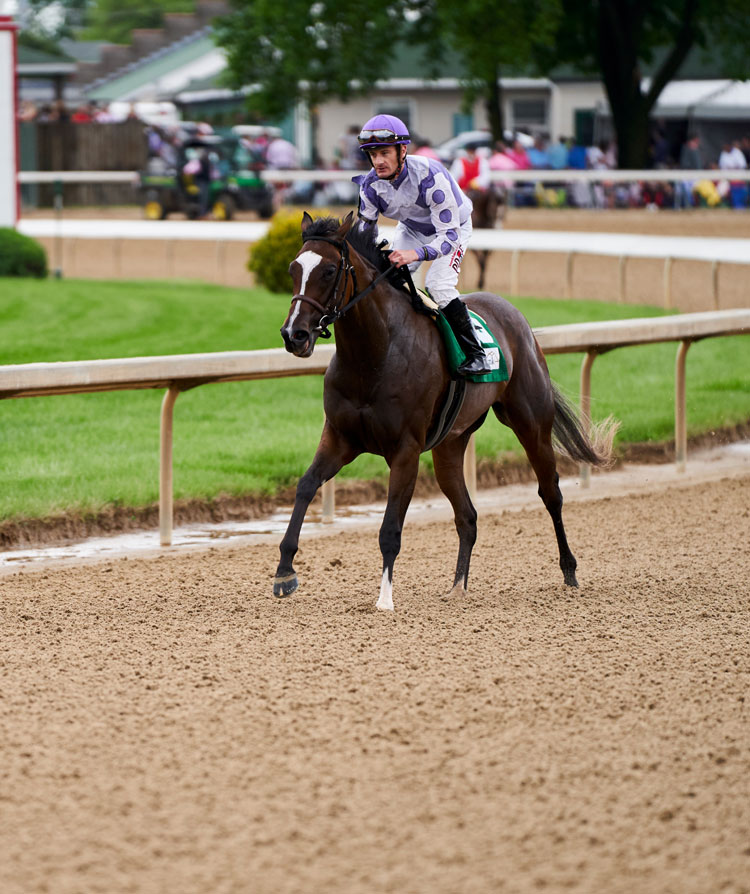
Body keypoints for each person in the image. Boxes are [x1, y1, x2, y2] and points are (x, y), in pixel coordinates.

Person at [353, 113, 490, 377]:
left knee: (437, 284)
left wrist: (413, 254)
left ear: (402, 150)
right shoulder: (369, 186)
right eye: (373, 154)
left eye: (384, 153)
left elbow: (447, 239)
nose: (378, 161)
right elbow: (363, 237)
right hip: (413, 229)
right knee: (389, 279)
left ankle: (476, 354)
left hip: (453, 230)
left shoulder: (430, 176)